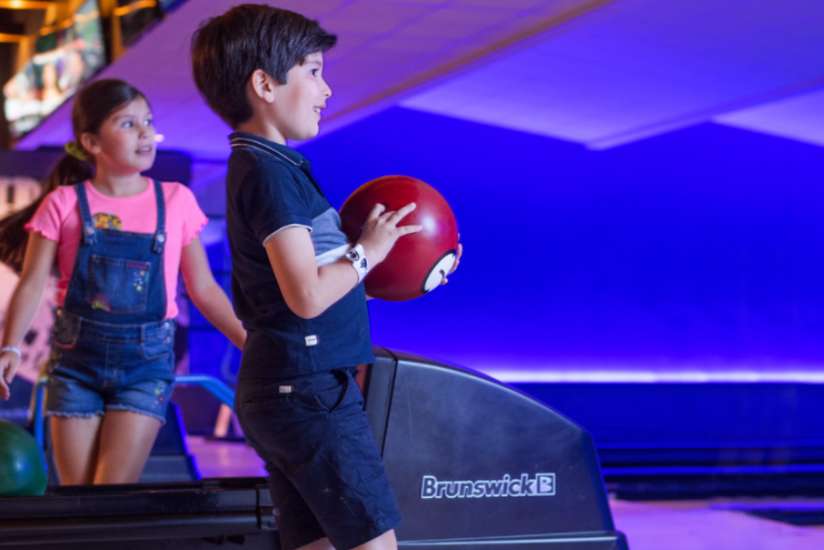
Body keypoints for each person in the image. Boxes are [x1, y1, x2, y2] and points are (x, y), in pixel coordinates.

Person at [191, 5, 460, 550]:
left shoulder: (270, 166)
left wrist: (407, 264)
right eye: (313, 70)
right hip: (308, 392)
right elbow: (307, 294)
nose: (326, 88)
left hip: (288, 389)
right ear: (265, 84)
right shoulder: (269, 176)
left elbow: (315, 273)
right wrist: (369, 252)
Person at [0, 78, 246, 485]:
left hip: (146, 368)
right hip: (74, 366)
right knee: (81, 500)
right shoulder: (62, 203)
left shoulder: (176, 200)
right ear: (92, 142)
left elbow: (202, 287)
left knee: (111, 492)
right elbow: (30, 283)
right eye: (128, 123)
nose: (145, 132)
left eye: (147, 121)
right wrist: (9, 346)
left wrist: (249, 343)